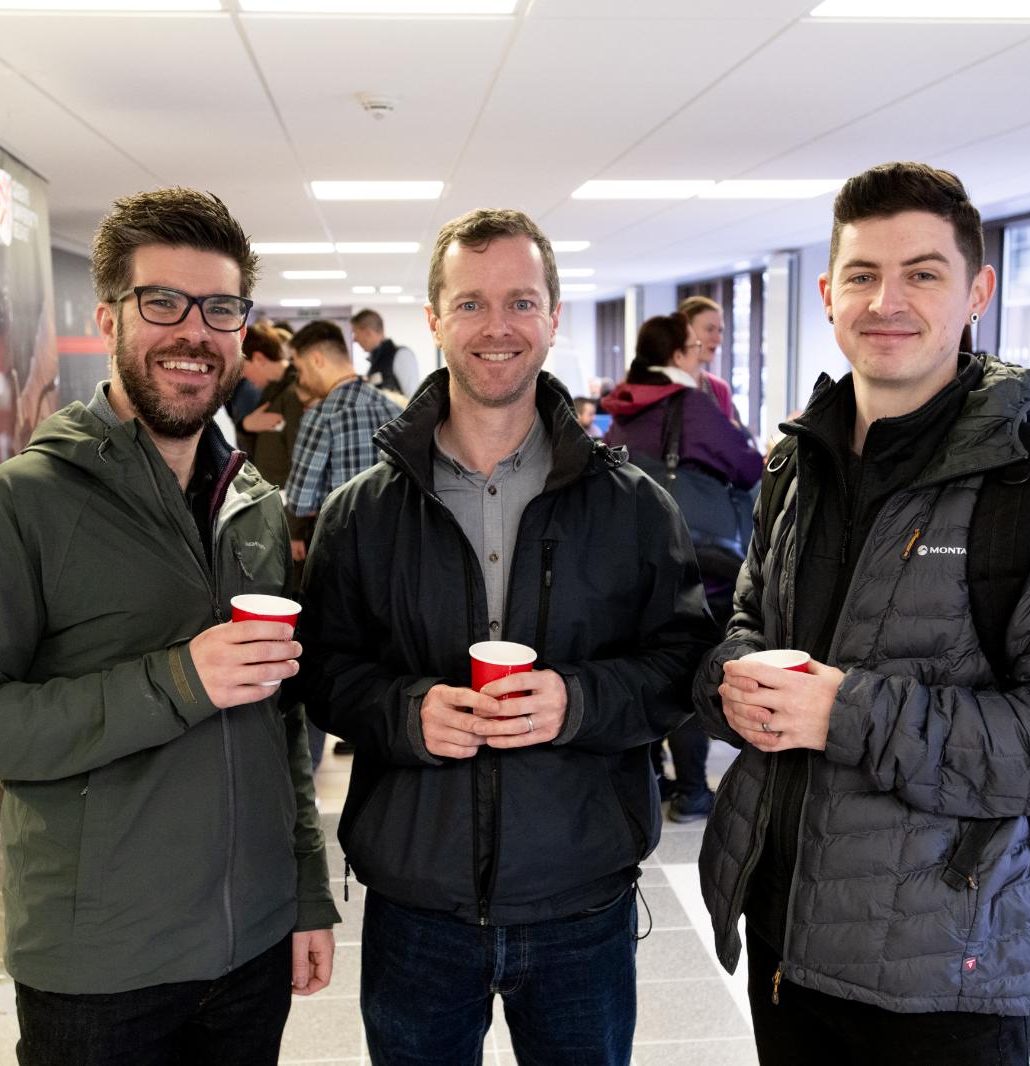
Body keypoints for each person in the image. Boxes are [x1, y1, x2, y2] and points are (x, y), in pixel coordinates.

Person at [694, 162, 1030, 1066]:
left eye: (923, 273)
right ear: (828, 295)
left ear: (976, 291)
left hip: (945, 967)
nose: (886, 301)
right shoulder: (795, 468)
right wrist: (729, 683)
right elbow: (747, 624)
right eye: (862, 275)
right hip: (784, 933)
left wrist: (844, 712)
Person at [0, 186, 339, 1066]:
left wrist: (303, 889)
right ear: (108, 318)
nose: (193, 332)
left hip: (252, 947)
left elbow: (280, 723)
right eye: (162, 302)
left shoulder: (253, 504)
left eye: (219, 309)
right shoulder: (17, 505)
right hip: (100, 968)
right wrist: (177, 680)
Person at [297, 208, 716, 1066]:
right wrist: (405, 712)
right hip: (416, 902)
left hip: (581, 899)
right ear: (434, 319)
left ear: (552, 318)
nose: (497, 326)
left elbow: (681, 665)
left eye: (521, 302)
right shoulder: (362, 513)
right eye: (471, 303)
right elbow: (327, 672)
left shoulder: (633, 506)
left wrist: (577, 700)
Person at [601, 313, 761, 823]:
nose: (701, 356)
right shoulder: (690, 405)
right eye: (694, 347)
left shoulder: (623, 405)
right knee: (691, 664)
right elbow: (747, 466)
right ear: (676, 356)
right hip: (696, 561)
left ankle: (653, 775)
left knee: (644, 662)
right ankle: (692, 791)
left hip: (630, 560)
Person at [283, 319, 402, 562]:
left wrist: (325, 496)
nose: (301, 380)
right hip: (395, 545)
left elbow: (299, 501)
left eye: (300, 368)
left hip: (343, 549)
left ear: (317, 360)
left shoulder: (321, 417)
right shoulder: (395, 409)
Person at [230, 321, 291, 457]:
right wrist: (246, 426)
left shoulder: (298, 389)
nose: (242, 375)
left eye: (243, 367)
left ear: (259, 359)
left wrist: (246, 426)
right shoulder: (274, 389)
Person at [676, 294, 737, 423]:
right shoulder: (662, 386)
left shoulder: (720, 389)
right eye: (710, 329)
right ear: (686, 331)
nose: (718, 338)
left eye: (720, 330)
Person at [350, 307, 418, 396]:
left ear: (368, 332)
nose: (354, 339)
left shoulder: (402, 355)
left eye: (355, 333)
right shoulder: (375, 362)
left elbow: (414, 399)